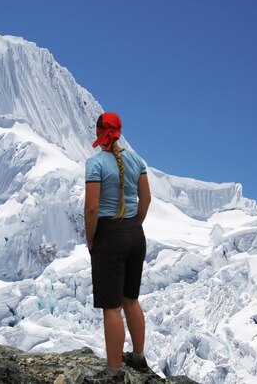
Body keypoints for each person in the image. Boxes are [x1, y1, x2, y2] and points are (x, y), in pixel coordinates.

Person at [83, 112, 152, 383]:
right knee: (131, 300)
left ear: (99, 132)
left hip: (109, 235)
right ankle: (138, 357)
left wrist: (92, 238)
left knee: (111, 308)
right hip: (135, 234)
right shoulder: (138, 160)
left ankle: (114, 373)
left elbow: (91, 208)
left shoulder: (96, 164)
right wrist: (133, 225)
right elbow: (146, 198)